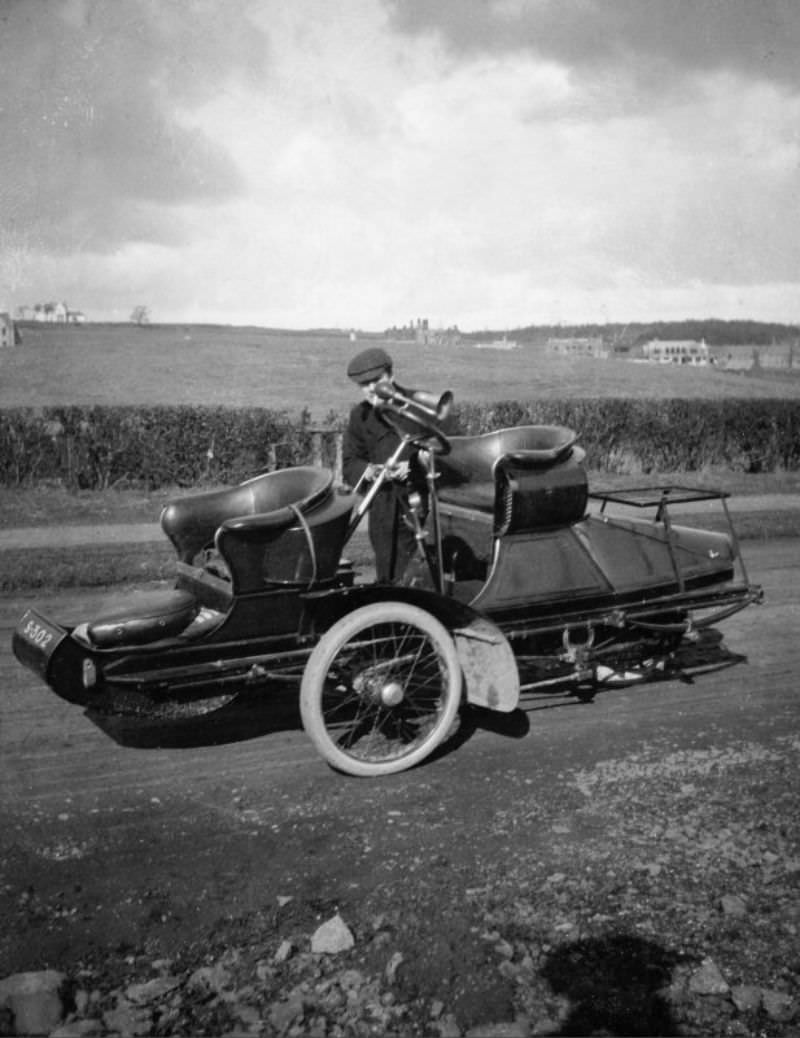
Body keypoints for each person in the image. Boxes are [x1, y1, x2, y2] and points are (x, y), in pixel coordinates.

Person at [342, 346, 425, 584]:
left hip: (420, 505)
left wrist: (412, 467)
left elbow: (450, 450)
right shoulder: (360, 416)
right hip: (382, 507)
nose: (371, 389)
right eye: (364, 384)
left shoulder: (419, 405)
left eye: (376, 380)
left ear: (391, 376)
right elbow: (350, 461)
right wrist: (368, 471)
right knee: (386, 574)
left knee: (417, 576)